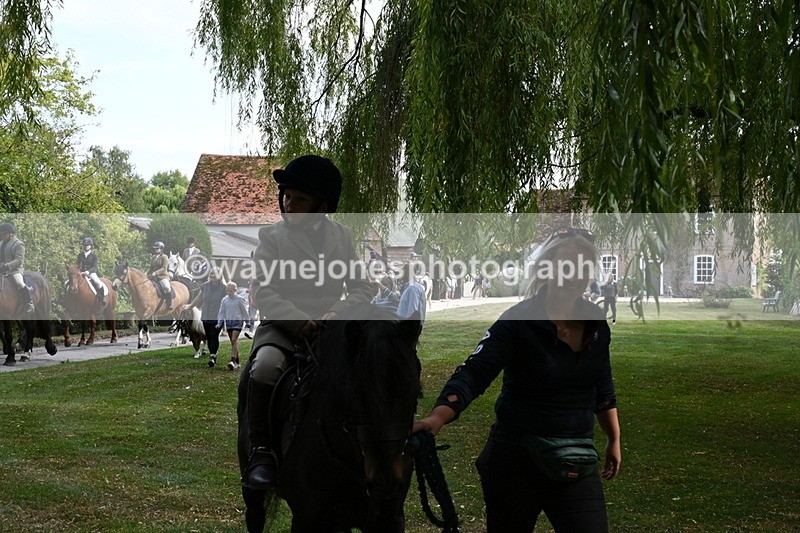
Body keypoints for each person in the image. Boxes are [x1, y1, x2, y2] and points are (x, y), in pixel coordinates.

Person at [413, 227, 621, 533]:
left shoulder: (597, 324)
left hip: (575, 461)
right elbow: (475, 372)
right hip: (516, 463)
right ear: (548, 268)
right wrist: (438, 417)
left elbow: (602, 385)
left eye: (583, 267)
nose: (574, 275)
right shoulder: (517, 321)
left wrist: (614, 439)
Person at [244, 154, 373, 489]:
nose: (288, 203)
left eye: (299, 198)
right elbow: (262, 289)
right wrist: (297, 320)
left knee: (374, 369)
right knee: (264, 368)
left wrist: (339, 312)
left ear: (321, 205)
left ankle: (372, 448)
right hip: (282, 329)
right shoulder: (270, 236)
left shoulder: (342, 237)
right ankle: (260, 451)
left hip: (331, 331)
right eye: (286, 195)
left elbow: (362, 286)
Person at [185, 267, 227, 366]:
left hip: (217, 316)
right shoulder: (205, 286)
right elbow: (199, 298)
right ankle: (213, 353)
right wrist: (190, 307)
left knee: (214, 336)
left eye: (215, 274)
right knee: (208, 336)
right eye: (211, 274)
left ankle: (212, 356)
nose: (212, 276)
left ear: (220, 276)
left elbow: (227, 301)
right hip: (206, 315)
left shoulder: (223, 288)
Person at [0, 222, 35, 315]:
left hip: (15, 270)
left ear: (10, 233)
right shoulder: (1, 244)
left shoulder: (18, 244)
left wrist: (6, 265)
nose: (1, 236)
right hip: (2, 270)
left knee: (19, 282)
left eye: (3, 234)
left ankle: (29, 303)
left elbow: (19, 260)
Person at [216, 282, 251, 371]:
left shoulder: (240, 299)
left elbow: (244, 312)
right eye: (227, 290)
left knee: (234, 340)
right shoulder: (224, 300)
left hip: (237, 323)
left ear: (235, 290)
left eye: (230, 290)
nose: (228, 292)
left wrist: (248, 322)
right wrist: (219, 323)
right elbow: (221, 312)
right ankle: (237, 362)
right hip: (229, 323)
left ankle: (232, 361)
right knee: (233, 342)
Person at [76, 237, 106, 305]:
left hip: (91, 273)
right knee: (69, 282)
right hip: (81, 273)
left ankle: (101, 298)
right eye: (85, 245)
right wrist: (79, 271)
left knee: (98, 283)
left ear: (91, 246)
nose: (86, 246)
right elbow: (78, 265)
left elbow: (95, 267)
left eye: (88, 245)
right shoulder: (80, 255)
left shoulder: (94, 255)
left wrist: (88, 272)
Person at [146, 241, 173, 310]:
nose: (156, 250)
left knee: (167, 287)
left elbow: (164, 268)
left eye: (157, 248)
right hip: (153, 276)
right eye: (155, 248)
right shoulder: (153, 257)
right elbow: (151, 268)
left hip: (163, 276)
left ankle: (169, 303)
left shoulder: (165, 257)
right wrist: (146, 273)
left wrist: (156, 273)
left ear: (161, 249)